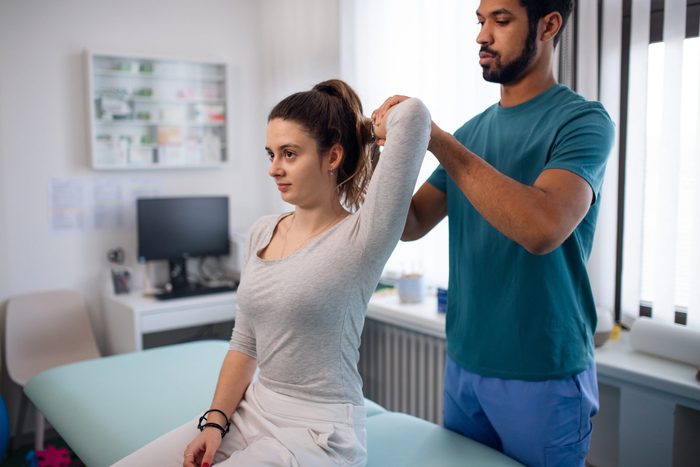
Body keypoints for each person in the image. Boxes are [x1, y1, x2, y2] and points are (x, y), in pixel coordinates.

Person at [114, 80, 431, 467]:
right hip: (253, 411)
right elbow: (245, 342)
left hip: (320, 431)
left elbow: (413, 116)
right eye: (271, 154)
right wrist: (214, 423)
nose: (273, 168)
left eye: (289, 154)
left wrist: (367, 128)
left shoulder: (361, 236)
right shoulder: (263, 231)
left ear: (332, 157)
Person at [372, 1, 614, 466]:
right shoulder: (472, 132)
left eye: (500, 21)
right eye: (480, 22)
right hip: (465, 363)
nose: (482, 36)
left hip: (544, 370)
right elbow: (411, 222)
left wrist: (435, 138)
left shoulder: (583, 121)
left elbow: (542, 227)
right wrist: (386, 152)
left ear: (548, 25)